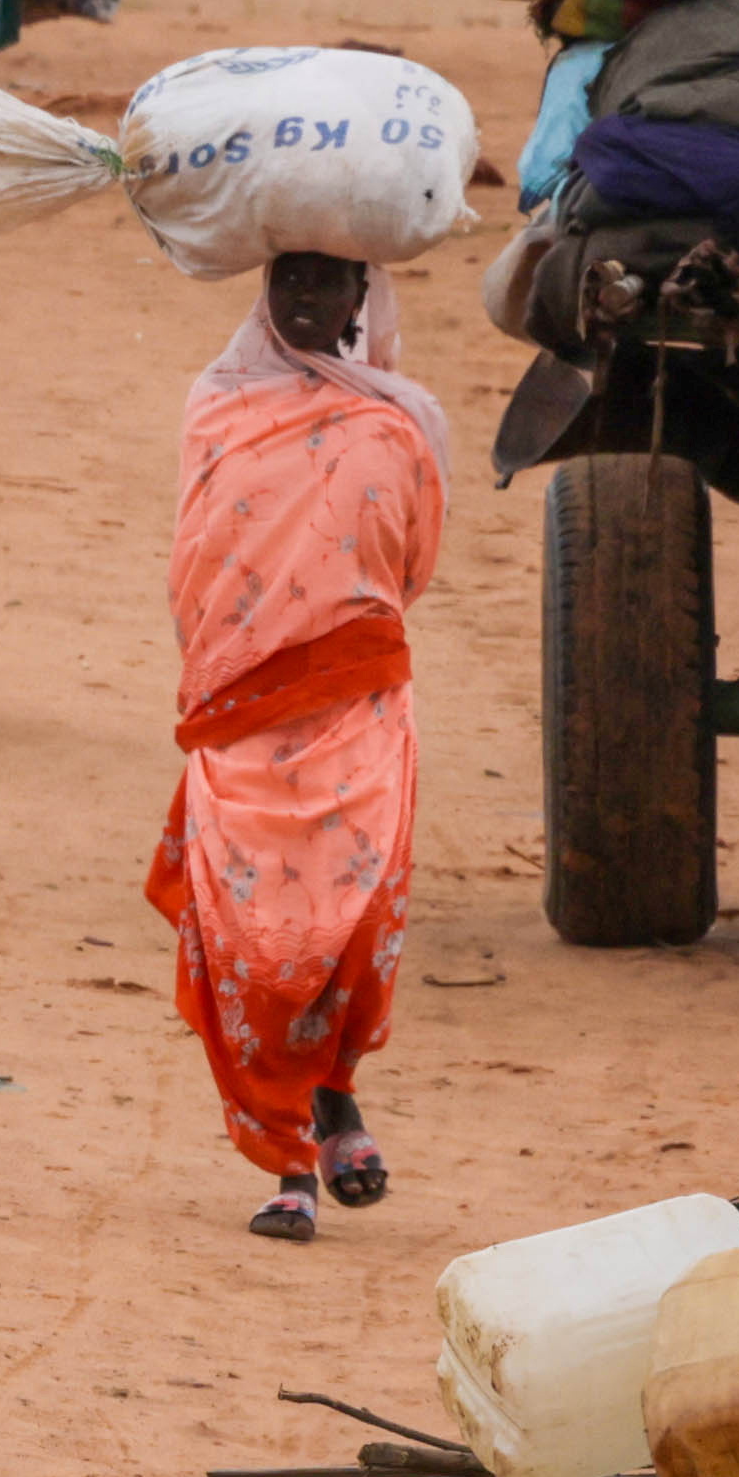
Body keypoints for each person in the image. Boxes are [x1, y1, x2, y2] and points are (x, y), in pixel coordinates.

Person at [148, 246, 440, 1240]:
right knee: (250, 942)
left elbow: (407, 562)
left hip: (356, 705)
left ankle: (333, 1096)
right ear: (263, 289)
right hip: (241, 712)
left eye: (329, 282)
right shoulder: (217, 407)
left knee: (347, 934)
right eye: (290, 281)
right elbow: (195, 551)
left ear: (365, 295)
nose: (307, 300)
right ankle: (288, 1163)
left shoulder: (397, 423)